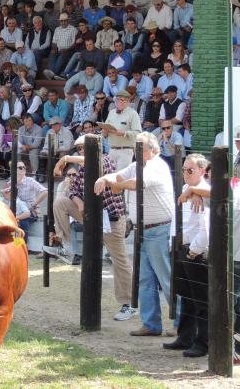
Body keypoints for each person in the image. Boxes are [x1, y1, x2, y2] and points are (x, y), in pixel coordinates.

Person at [95, 132, 174, 337]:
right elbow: (120, 175)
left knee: (166, 278)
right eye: (137, 148)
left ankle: (180, 323)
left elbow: (135, 183)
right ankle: (151, 323)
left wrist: (114, 185)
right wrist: (105, 178)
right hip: (144, 229)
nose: (137, 152)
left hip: (159, 229)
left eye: (141, 148)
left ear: (153, 150)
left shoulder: (156, 166)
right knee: (145, 279)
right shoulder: (139, 164)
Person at [50, 135, 134, 317]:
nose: (82, 152)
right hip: (91, 217)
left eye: (84, 148)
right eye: (79, 149)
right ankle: (64, 245)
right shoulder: (81, 171)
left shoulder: (105, 161)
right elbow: (73, 190)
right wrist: (79, 202)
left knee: (119, 262)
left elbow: (93, 160)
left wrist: (65, 158)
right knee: (60, 203)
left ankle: (128, 303)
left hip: (111, 220)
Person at [168, 153, 210, 358]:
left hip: (195, 253)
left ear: (202, 171)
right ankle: (185, 337)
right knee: (186, 297)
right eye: (184, 170)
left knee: (201, 300)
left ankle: (203, 342)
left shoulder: (205, 192)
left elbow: (206, 229)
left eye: (190, 170)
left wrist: (193, 251)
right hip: (182, 248)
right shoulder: (187, 189)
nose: (185, 173)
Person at [101, 90, 142, 170]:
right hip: (112, 150)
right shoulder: (111, 112)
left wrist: (124, 133)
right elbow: (105, 131)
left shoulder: (133, 114)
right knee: (111, 178)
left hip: (125, 151)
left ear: (128, 101)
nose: (120, 102)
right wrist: (104, 131)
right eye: (118, 99)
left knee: (121, 178)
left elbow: (138, 134)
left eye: (122, 100)